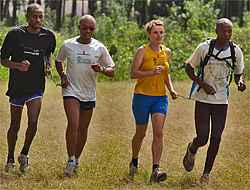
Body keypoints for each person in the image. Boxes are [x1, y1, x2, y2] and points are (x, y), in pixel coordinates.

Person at [183, 18, 246, 183]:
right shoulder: (204, 48)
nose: (227, 35)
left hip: (221, 100)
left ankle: (206, 174)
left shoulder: (235, 51)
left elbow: (238, 72)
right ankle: (192, 148)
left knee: (216, 137)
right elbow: (189, 68)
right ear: (216, 31)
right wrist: (203, 85)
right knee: (203, 138)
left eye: (229, 31)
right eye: (223, 31)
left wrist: (240, 81)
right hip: (203, 99)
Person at [55, 14, 115, 175]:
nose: (88, 31)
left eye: (91, 28)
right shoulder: (68, 45)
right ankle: (70, 159)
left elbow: (112, 71)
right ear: (79, 27)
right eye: (85, 28)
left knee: (83, 128)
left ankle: (76, 159)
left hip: (88, 92)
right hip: (71, 90)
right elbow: (58, 60)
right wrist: (63, 75)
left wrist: (101, 69)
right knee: (73, 122)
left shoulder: (99, 47)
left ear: (94, 29)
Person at [0, 3, 56, 173]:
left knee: (33, 121)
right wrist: (17, 65)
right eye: (34, 17)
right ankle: (10, 157)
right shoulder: (15, 34)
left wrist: (47, 65)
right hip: (17, 86)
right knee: (15, 124)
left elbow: (48, 52)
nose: (38, 20)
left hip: (36, 86)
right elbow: (3, 59)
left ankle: (24, 154)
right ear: (27, 17)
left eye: (40, 17)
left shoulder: (48, 35)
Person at [129, 20, 178, 183]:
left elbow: (166, 74)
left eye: (161, 32)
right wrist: (151, 72)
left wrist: (171, 89)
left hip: (160, 97)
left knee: (159, 132)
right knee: (141, 133)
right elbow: (133, 73)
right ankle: (134, 160)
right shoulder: (142, 51)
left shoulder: (167, 52)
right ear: (148, 35)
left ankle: (156, 169)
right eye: (156, 32)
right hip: (142, 96)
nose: (159, 35)